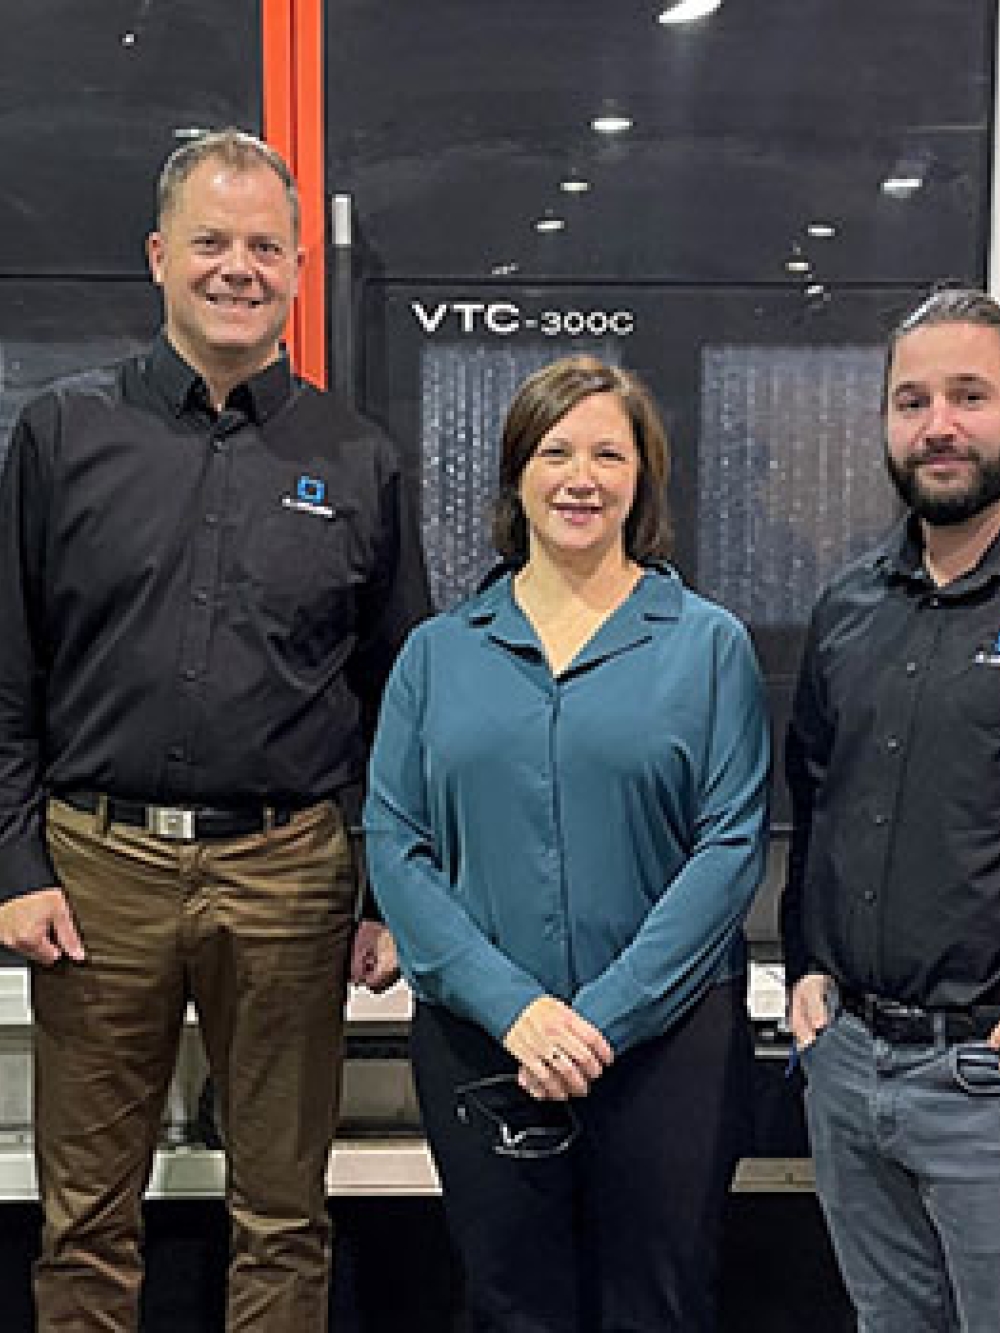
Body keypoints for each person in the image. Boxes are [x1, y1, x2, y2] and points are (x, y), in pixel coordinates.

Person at [0, 127, 429, 1332]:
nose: (237, 268)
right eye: (210, 242)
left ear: (296, 269)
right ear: (158, 256)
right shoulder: (61, 435)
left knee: (284, 1216)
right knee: (85, 1222)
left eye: (263, 247)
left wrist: (387, 891)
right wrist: (16, 864)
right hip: (97, 869)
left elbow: (400, 697)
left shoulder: (359, 460)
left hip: (291, 872)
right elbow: (8, 669)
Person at [364, 354, 770, 1332]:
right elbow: (395, 841)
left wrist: (604, 1018)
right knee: (510, 1305)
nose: (580, 478)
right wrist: (515, 1010)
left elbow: (729, 844)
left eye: (607, 454)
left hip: (670, 1046)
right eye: (554, 452)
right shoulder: (437, 653)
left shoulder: (708, 644)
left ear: (643, 477)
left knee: (658, 1305)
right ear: (516, 474)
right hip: (484, 1042)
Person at [782, 287, 1000, 1331]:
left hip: (983, 1080)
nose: (937, 424)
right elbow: (815, 798)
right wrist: (806, 968)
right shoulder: (847, 605)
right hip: (849, 1066)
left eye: (970, 395)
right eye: (912, 401)